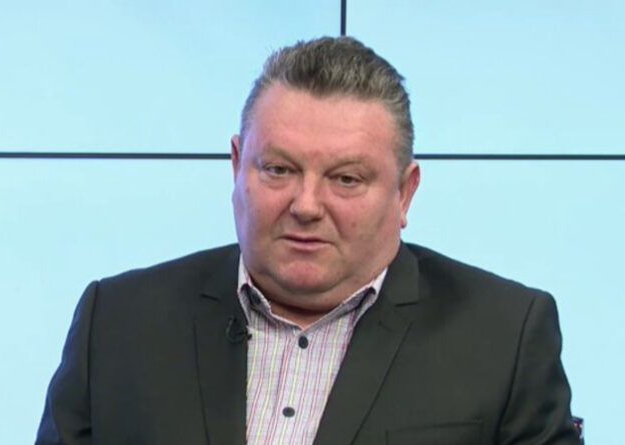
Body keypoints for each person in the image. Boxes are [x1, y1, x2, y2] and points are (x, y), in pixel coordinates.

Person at [36, 37, 580, 445]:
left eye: (346, 179)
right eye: (279, 169)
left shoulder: (505, 337)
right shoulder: (117, 322)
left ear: (405, 193)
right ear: (236, 166)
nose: (306, 205)